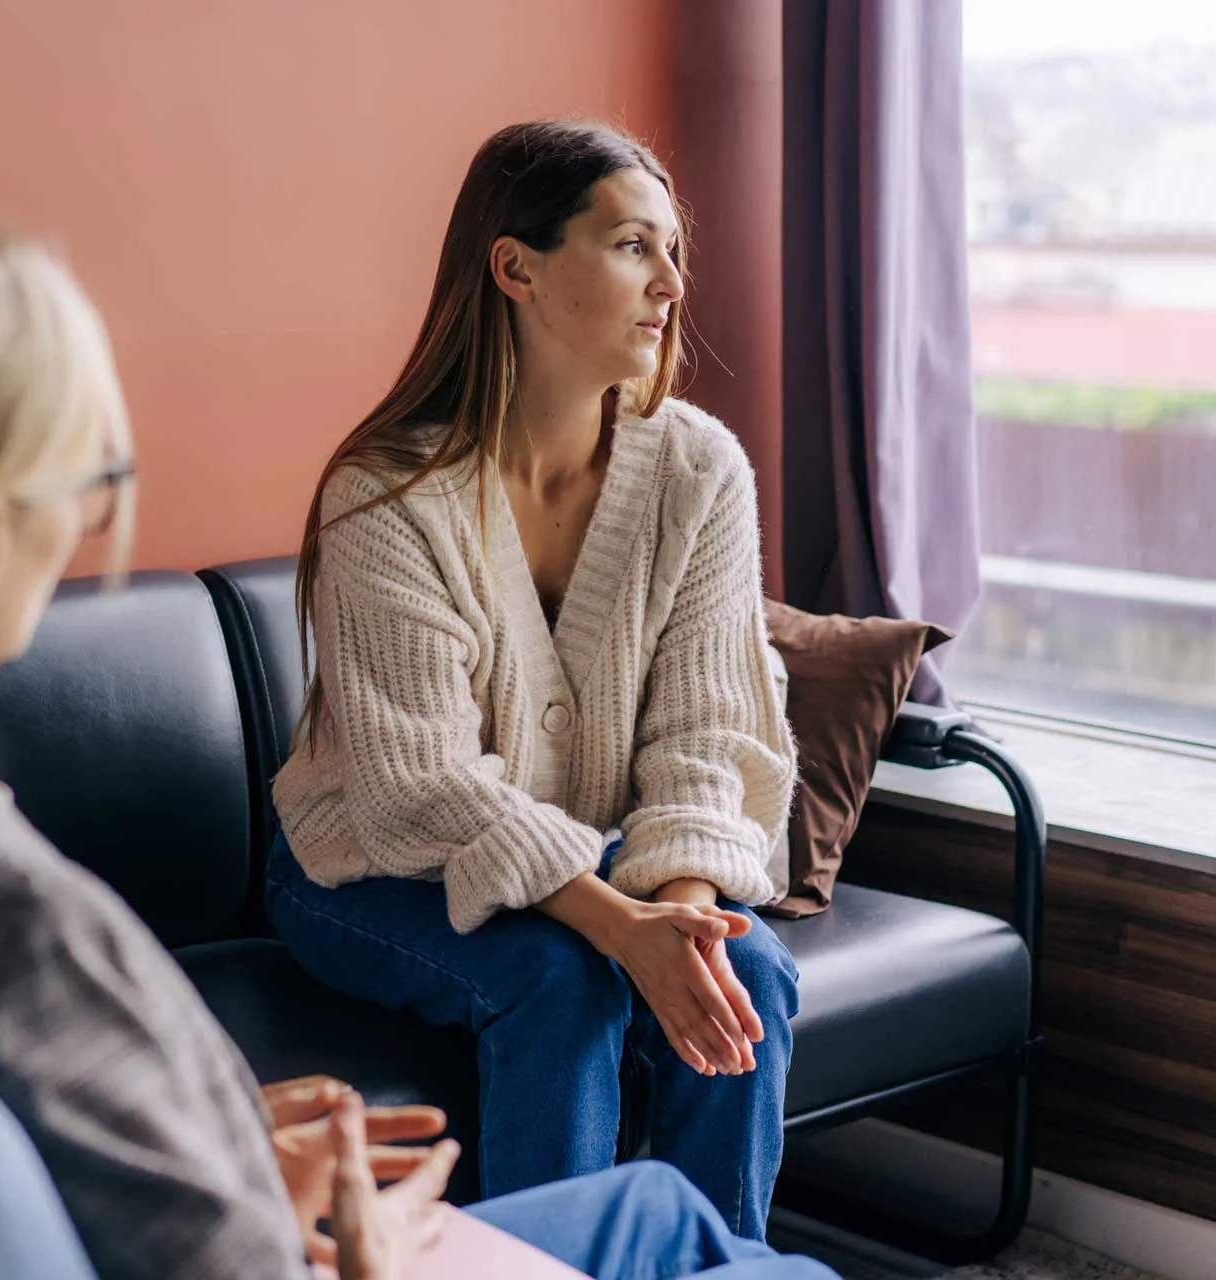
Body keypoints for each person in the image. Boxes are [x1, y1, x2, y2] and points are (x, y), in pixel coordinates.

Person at [0, 204, 832, 1279]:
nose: (100, 517)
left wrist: (215, 1139)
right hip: (375, 946)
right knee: (705, 1233)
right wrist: (349, 1236)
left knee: (680, 1188)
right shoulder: (27, 937)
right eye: (92, 477)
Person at [268, 119, 801, 1240]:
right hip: (367, 861)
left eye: (673, 252)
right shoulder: (388, 494)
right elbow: (420, 787)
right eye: (631, 247)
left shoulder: (699, 467)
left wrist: (686, 915)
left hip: (585, 853)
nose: (670, 283)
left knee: (753, 974)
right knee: (560, 983)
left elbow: (710, 731)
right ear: (516, 267)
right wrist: (616, 923)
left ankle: (710, 1267)